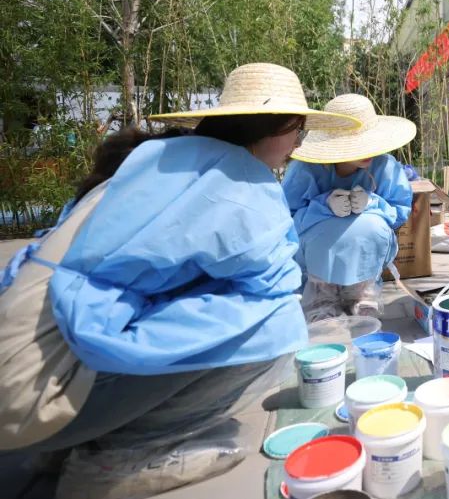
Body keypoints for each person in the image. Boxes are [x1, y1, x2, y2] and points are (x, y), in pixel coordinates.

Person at [0, 63, 361, 494]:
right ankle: (117, 458)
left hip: (20, 354)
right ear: (274, 127)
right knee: (278, 320)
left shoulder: (164, 159)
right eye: (297, 130)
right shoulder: (238, 180)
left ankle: (75, 443)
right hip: (36, 392)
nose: (299, 143)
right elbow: (275, 279)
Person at [282, 94, 416, 319]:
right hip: (315, 262)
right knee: (327, 230)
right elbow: (286, 221)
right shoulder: (306, 171)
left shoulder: (385, 167)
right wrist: (322, 206)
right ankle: (321, 297)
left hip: (367, 260)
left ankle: (363, 293)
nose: (367, 152)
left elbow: (400, 210)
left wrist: (373, 203)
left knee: (372, 225)